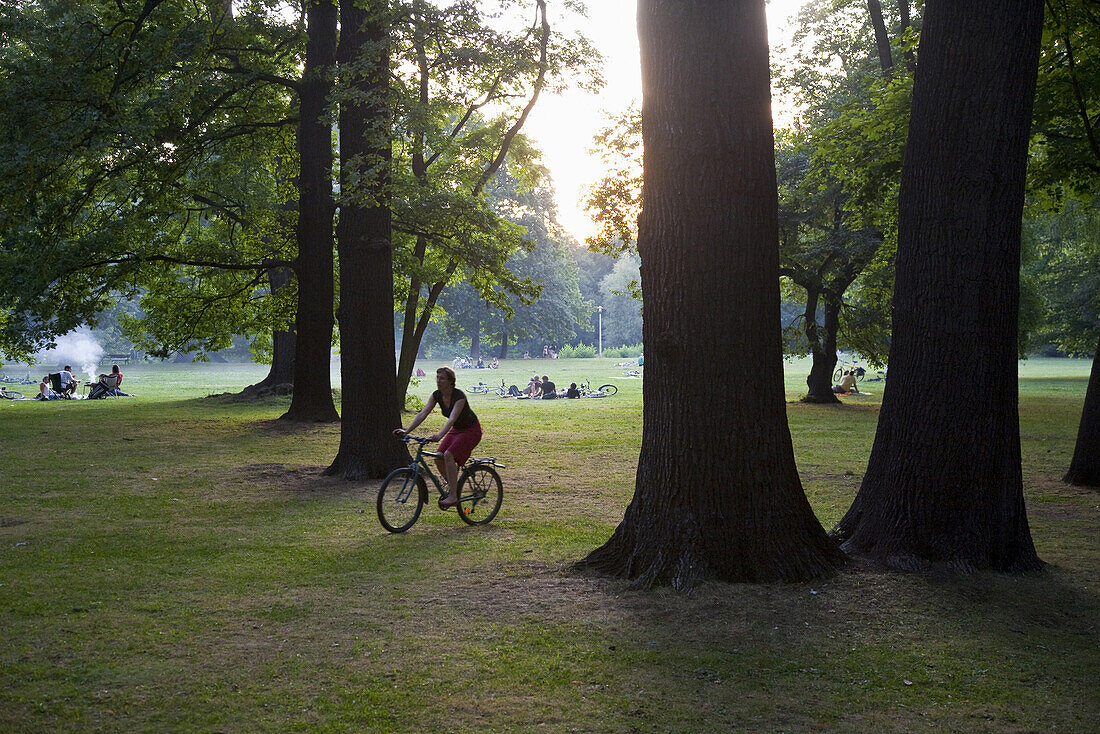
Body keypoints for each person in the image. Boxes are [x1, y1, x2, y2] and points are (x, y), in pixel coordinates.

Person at [394, 366, 482, 509]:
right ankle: (454, 488)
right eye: (437, 378)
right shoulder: (437, 395)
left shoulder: (459, 397)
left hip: (471, 431)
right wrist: (406, 430)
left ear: (451, 381)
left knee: (448, 455)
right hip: (457, 430)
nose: (438, 381)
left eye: (442, 378)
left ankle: (453, 496)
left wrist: (440, 435)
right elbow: (423, 413)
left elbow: (452, 419)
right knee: (438, 457)